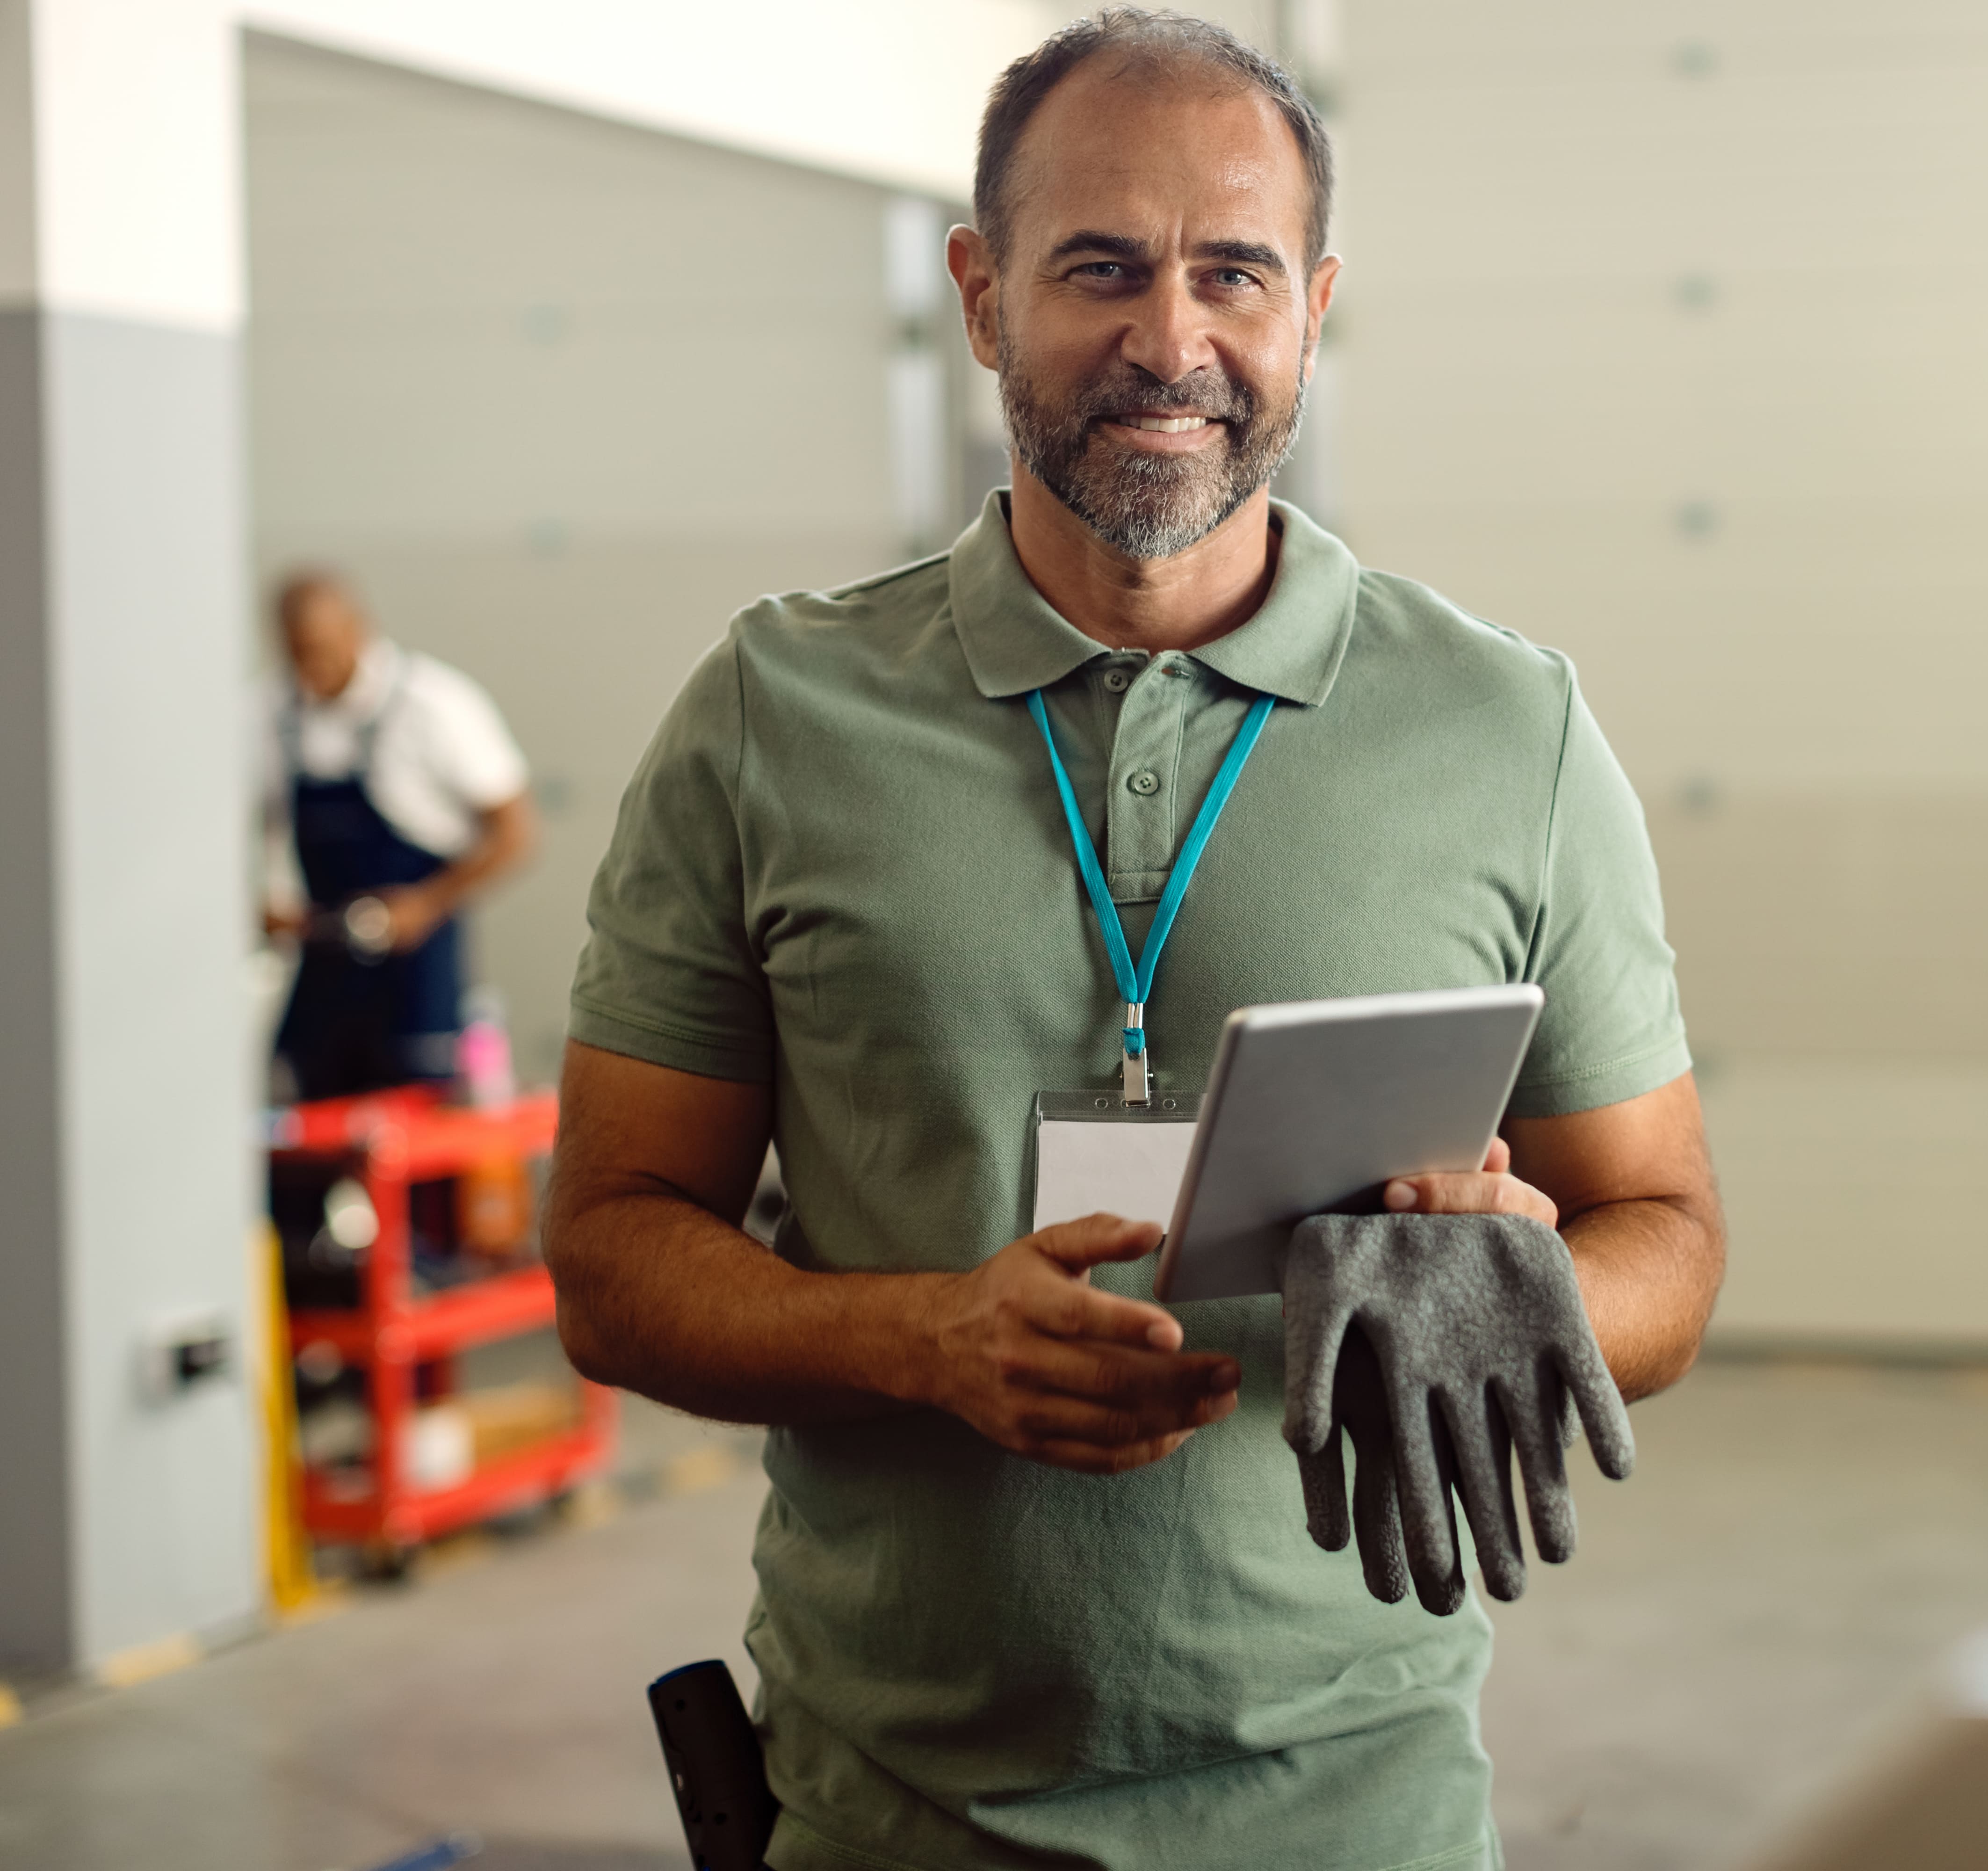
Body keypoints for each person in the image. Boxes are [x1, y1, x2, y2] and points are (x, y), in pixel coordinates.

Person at [545, 12, 1725, 1869]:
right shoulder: (774, 711)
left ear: (1312, 310)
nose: (1170, 340)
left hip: (1361, 1818)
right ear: (984, 294)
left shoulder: (1509, 731)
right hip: (886, 1817)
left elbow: (1664, 1225)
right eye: (1098, 266)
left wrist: (1528, 1282)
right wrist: (923, 1336)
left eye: (1231, 272)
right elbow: (610, 1258)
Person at [262, 571, 538, 1102]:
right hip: (322, 965)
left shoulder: (434, 705)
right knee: (301, 1133)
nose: (313, 669)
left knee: (420, 1147)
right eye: (299, 655)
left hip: (417, 973)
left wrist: (425, 904)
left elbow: (516, 832)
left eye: (323, 650)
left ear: (359, 630)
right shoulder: (266, 716)